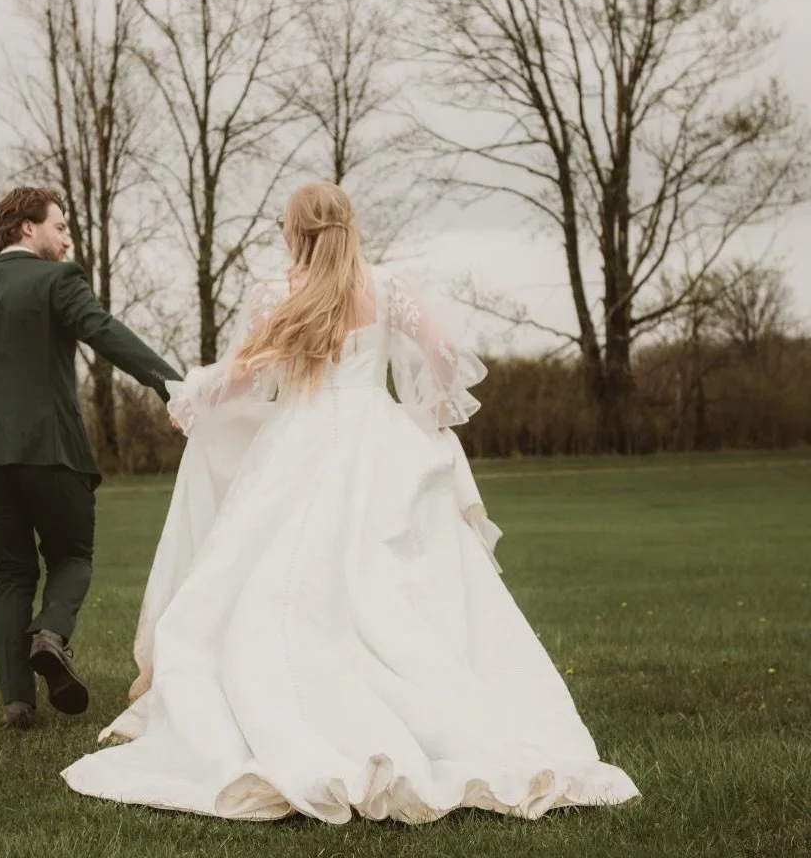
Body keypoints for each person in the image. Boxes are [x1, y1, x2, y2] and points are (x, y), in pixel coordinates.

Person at [62, 182, 639, 822]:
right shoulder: (387, 287)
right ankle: (438, 711)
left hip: (300, 443)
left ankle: (306, 706)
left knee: (278, 583)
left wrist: (192, 397)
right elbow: (447, 355)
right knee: (404, 586)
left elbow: (246, 373)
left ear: (294, 232)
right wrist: (428, 416)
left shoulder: (280, 295)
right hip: (382, 440)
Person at [0, 186, 181, 731]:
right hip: (53, 453)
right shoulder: (59, 281)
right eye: (60, 227)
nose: (67, 238)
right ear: (27, 228)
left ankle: (17, 704)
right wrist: (173, 385)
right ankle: (50, 635)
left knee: (10, 574)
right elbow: (104, 333)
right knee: (72, 557)